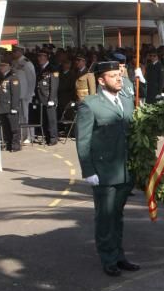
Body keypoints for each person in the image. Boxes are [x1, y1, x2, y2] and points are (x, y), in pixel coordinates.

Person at [75, 60, 140, 277]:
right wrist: (88, 170)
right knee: (105, 217)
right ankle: (108, 258)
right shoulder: (90, 104)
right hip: (103, 171)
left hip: (124, 169)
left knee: (117, 216)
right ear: (101, 81)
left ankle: (119, 255)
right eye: (113, 76)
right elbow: (83, 140)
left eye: (119, 74)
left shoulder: (127, 101)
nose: (119, 78)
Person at [0, 58, 22, 152]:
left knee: (14, 128)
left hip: (10, 106)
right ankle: (9, 144)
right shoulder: (0, 77)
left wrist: (14, 107)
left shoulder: (13, 77)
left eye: (3, 66)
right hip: (2, 107)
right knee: (6, 127)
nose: (1, 68)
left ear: (9, 66)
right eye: (0, 66)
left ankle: (15, 145)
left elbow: (15, 94)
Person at [35, 51, 60, 146]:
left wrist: (52, 99)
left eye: (42, 57)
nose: (40, 59)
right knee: (44, 120)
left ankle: (53, 138)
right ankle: (47, 137)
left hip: (49, 98)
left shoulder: (53, 69)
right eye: (39, 57)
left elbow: (54, 86)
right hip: (41, 98)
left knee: (51, 120)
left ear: (47, 58)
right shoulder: (40, 68)